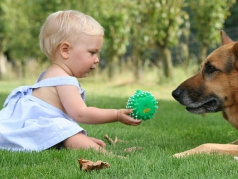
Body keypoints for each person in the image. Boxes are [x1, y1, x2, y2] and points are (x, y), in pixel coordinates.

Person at [0, 10, 142, 152]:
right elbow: (81, 113)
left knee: (68, 131)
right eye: (92, 52)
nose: (97, 59)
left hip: (31, 127)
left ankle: (76, 141)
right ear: (65, 50)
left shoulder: (48, 74)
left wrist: (78, 137)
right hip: (35, 127)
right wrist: (116, 115)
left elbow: (55, 121)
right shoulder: (65, 81)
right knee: (67, 131)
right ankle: (108, 156)